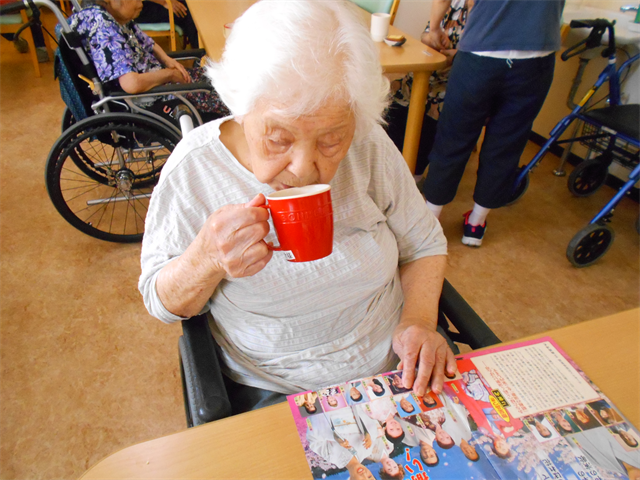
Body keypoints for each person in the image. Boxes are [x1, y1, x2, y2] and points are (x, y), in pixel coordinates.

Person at [140, 0, 455, 413]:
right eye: (279, 139)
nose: (305, 169)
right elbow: (160, 300)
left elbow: (424, 244)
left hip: (398, 366)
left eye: (331, 140)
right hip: (277, 389)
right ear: (240, 107)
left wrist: (418, 322)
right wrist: (206, 259)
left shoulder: (368, 144)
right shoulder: (195, 169)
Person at [421, 0, 565, 246]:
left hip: (481, 54)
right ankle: (475, 225)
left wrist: (434, 29)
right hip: (535, 60)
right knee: (507, 143)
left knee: (454, 138)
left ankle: (429, 223)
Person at [70, 0, 228, 120]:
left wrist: (167, 60)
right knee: (232, 98)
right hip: (156, 98)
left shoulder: (113, 16)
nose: (141, 3)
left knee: (221, 78)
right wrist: (169, 74)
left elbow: (146, 42)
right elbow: (131, 84)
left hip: (161, 82)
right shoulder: (104, 28)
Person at [385, 0, 472, 181]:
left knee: (431, 108)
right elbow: (426, 36)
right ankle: (391, 165)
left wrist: (458, 55)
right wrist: (430, 38)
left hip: (458, 81)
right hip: (428, 73)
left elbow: (481, 56)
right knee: (399, 97)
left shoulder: (490, 10)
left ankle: (413, 173)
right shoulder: (450, 4)